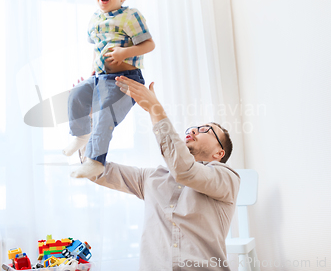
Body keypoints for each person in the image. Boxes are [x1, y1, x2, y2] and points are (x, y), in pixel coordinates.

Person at [84, 76, 241, 271]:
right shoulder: (152, 178)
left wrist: (154, 108)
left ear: (219, 153)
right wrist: (89, 120)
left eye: (204, 130)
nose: (193, 131)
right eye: (191, 129)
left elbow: (185, 170)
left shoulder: (227, 178)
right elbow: (95, 171)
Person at [63, 0, 155, 179]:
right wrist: (92, 73)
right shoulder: (94, 19)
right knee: (75, 95)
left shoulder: (131, 16)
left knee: (105, 114)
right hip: (100, 77)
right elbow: (97, 49)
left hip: (125, 78)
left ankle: (95, 161)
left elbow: (149, 44)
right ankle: (80, 133)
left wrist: (124, 53)